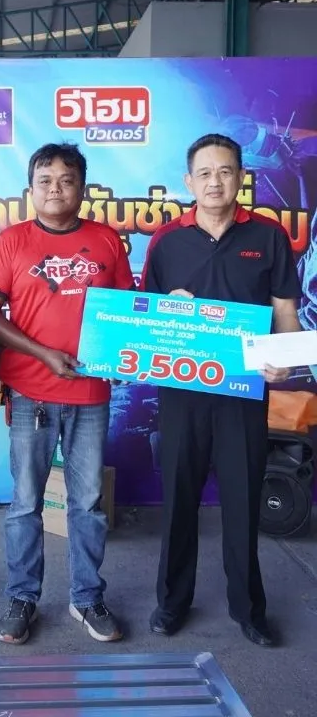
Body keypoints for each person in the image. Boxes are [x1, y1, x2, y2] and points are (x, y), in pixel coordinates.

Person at [141, 133, 301, 647]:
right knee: (178, 499)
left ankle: (248, 609)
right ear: (189, 182)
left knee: (242, 499)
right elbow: (143, 319)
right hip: (181, 393)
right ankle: (171, 603)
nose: (215, 182)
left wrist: (286, 357)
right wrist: (168, 307)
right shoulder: (166, 241)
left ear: (241, 178)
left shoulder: (269, 236)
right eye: (205, 173)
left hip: (243, 392)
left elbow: (285, 313)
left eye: (226, 171)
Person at [0, 142, 134, 646]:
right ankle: (22, 597)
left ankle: (87, 598)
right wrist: (43, 354)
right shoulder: (12, 242)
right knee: (26, 502)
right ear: (31, 189)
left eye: (67, 180)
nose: (56, 189)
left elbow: (126, 310)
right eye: (45, 181)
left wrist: (130, 353)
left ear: (83, 188)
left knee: (87, 503)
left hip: (91, 392)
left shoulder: (106, 240)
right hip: (30, 392)